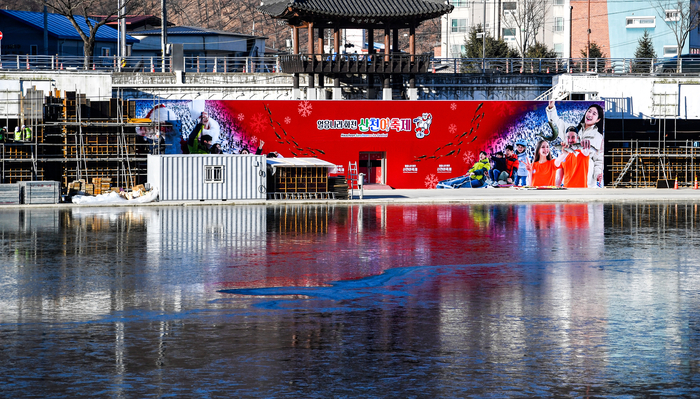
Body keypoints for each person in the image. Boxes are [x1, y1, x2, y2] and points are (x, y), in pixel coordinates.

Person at [547, 101, 604, 187]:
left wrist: (598, 175)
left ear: (598, 119)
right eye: (589, 111)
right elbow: (557, 124)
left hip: (587, 180)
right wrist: (551, 108)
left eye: (594, 113)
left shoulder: (599, 137)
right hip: (570, 175)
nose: (590, 114)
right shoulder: (574, 129)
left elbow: (599, 161)